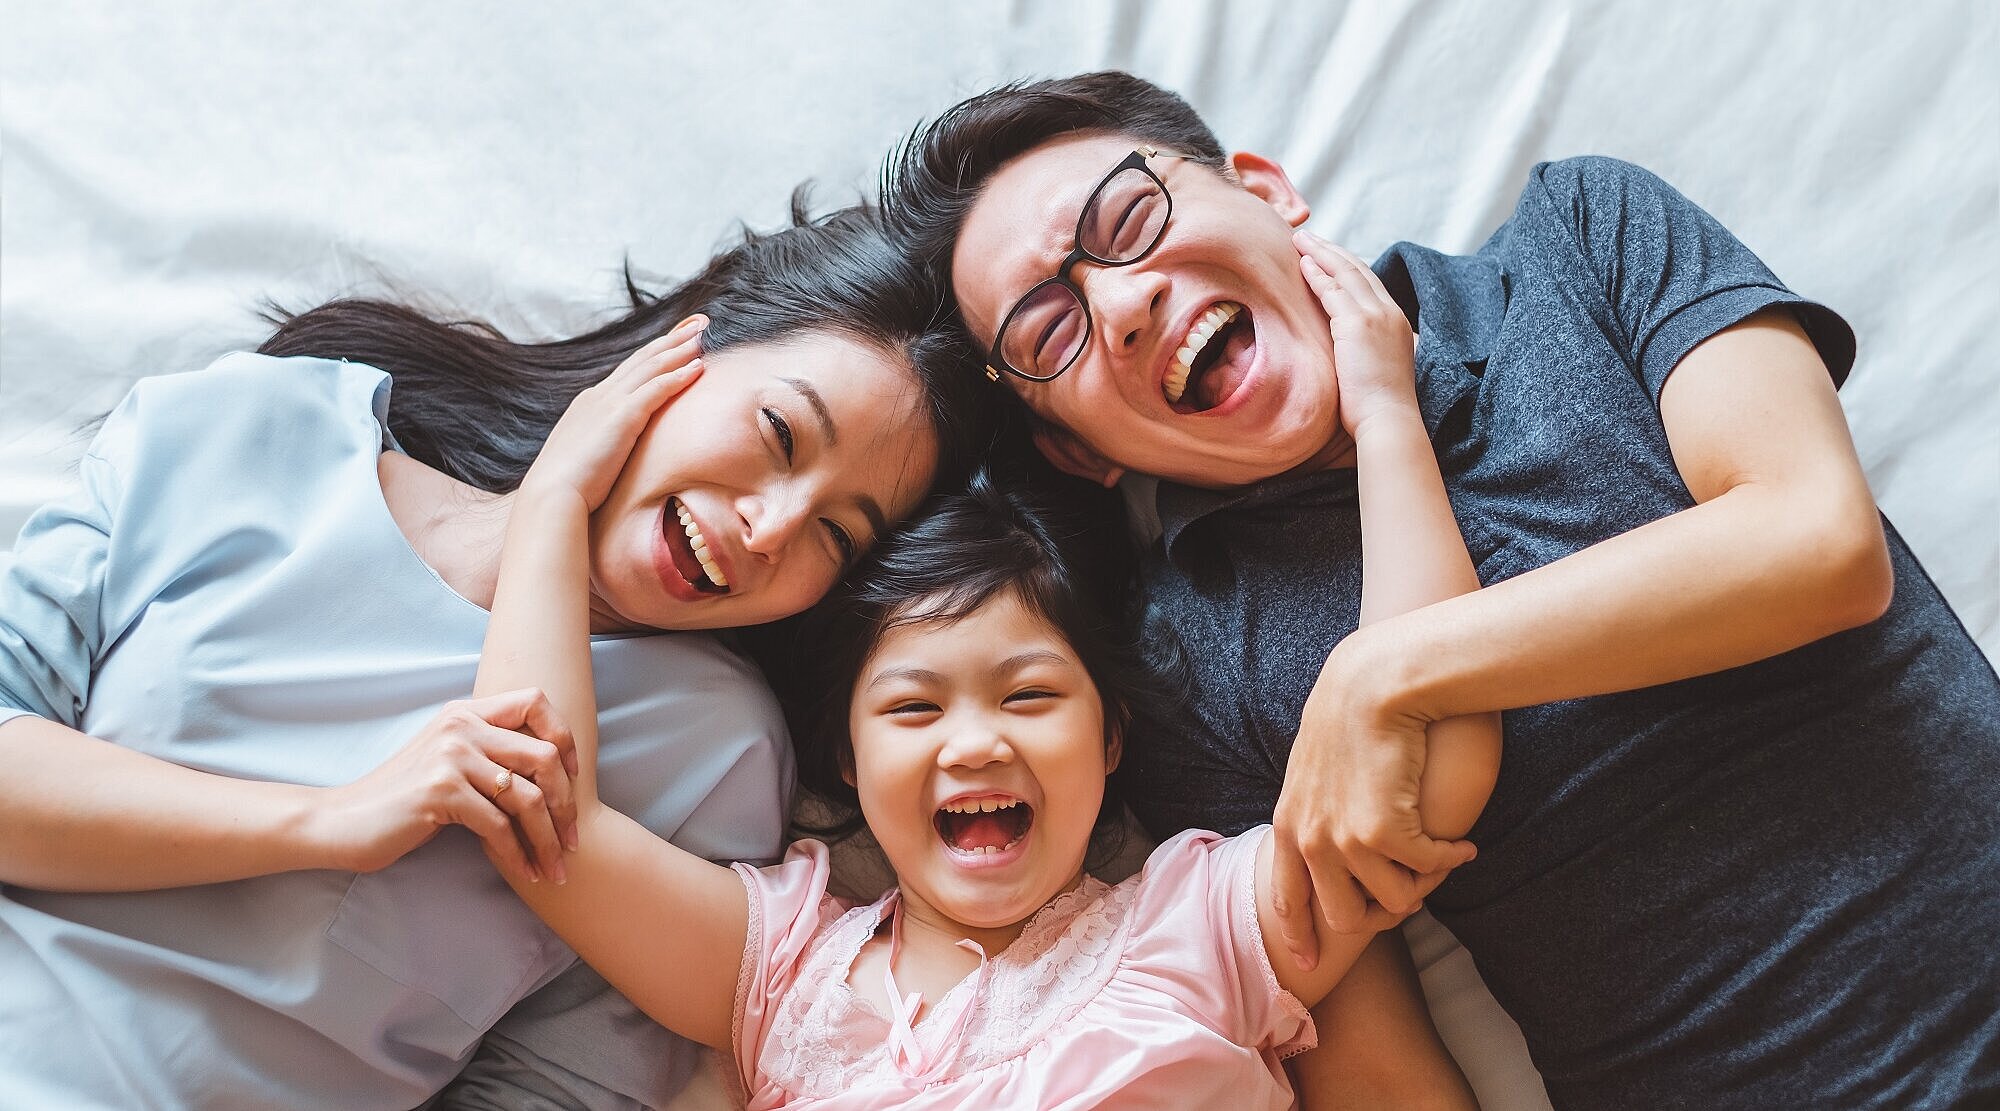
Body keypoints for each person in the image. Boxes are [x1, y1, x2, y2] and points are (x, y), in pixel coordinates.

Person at [879, 71, 2000, 1107]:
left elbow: (1815, 542)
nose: (1121, 303)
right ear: (1079, 453)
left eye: (1128, 222)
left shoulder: (1582, 237)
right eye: (1049, 331)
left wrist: (1384, 673)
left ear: (1268, 194)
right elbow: (1371, 1059)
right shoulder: (1186, 670)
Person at [0, 205, 982, 1108]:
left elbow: (555, 1089)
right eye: (777, 432)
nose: (770, 527)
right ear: (689, 347)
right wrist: (326, 823)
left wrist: (554, 510)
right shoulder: (258, 424)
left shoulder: (710, 750)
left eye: (836, 536)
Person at [460, 246, 1488, 1107]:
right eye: (911, 706)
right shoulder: (780, 970)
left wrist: (1385, 424)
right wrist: (553, 497)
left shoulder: (1200, 922)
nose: (976, 741)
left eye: (1029, 695)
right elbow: (543, 812)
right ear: (846, 763)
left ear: (1110, 736)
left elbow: (1420, 759)